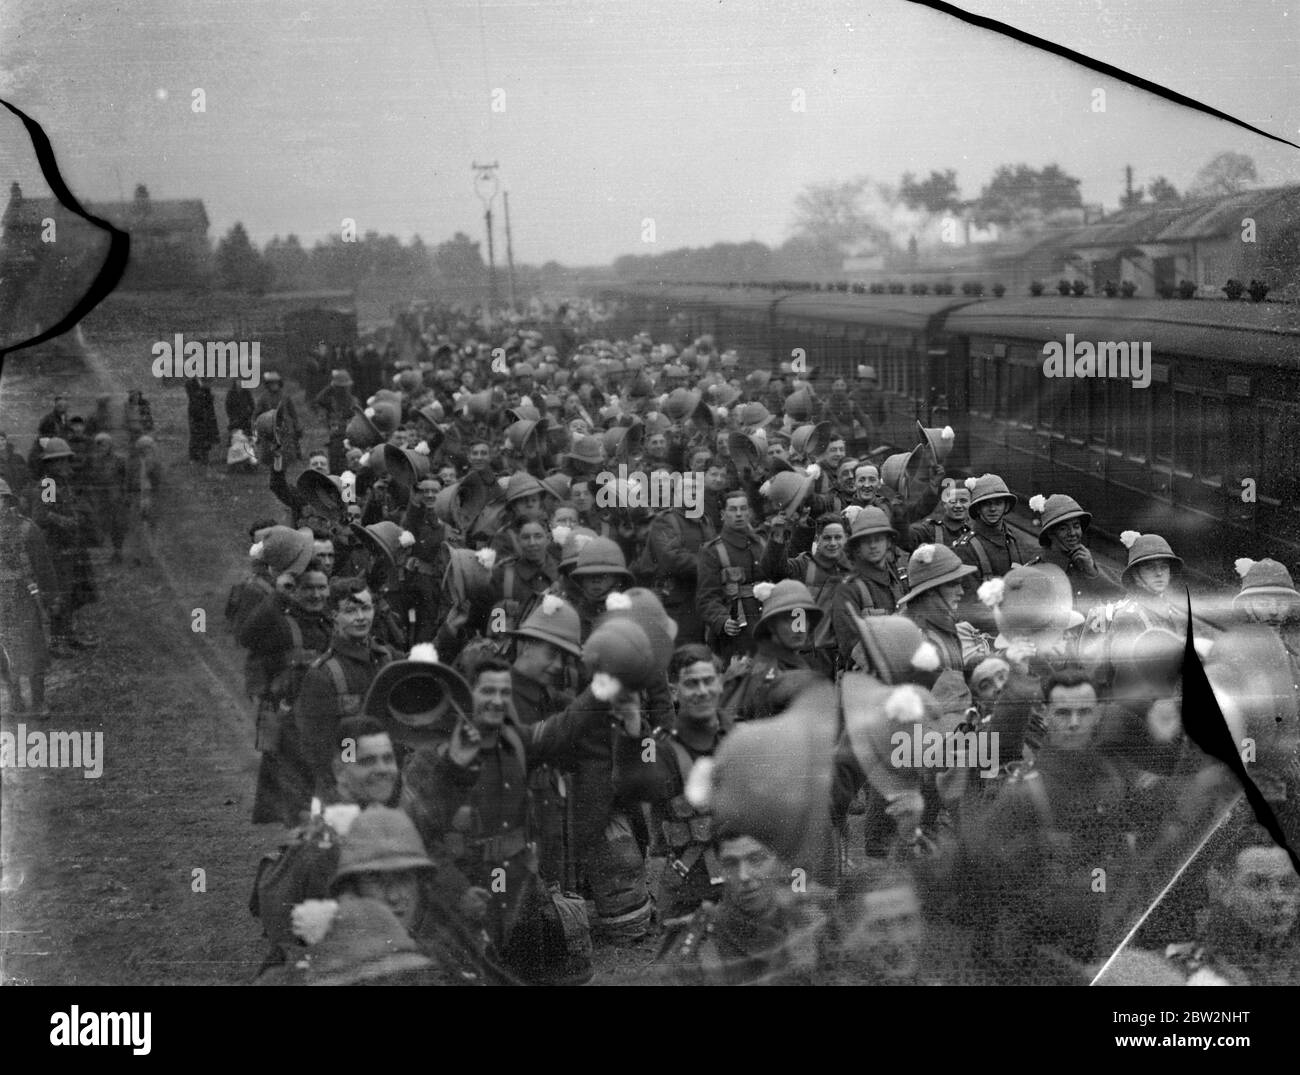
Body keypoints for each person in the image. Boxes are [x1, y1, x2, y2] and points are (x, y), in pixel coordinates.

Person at [653, 829, 826, 985]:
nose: (743, 875)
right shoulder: (696, 942)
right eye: (731, 863)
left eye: (756, 860)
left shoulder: (818, 927)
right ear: (720, 868)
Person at [295, 578, 397, 800]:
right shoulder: (324, 674)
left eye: (366, 608)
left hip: (390, 781)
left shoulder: (385, 658)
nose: (361, 618)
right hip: (346, 790)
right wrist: (353, 769)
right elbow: (318, 746)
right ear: (334, 616)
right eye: (350, 611)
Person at [1162, 823, 1300, 985]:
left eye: (1288, 884)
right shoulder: (1181, 968)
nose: (1277, 899)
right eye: (1258, 884)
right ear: (1221, 888)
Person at [0, 478, 55, 717]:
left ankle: (39, 701)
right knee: (3, 651)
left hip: (23, 597)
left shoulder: (26, 529)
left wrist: (51, 597)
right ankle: (14, 698)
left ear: (6, 501)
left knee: (33, 648)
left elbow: (43, 566)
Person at [696, 489, 771, 663]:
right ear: (723, 514)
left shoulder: (760, 543)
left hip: (765, 624)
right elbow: (706, 598)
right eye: (733, 509)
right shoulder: (713, 551)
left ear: (749, 513)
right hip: (736, 631)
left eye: (743, 509)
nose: (739, 514)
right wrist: (722, 620)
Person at [953, 473, 1027, 632]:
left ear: (1006, 506)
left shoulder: (1012, 540)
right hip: (985, 635)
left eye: (998, 503)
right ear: (977, 508)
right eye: (986, 504)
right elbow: (969, 607)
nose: (993, 509)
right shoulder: (966, 548)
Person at [832, 506, 907, 660]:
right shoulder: (848, 589)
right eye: (866, 541)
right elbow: (851, 647)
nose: (873, 546)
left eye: (878, 539)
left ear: (888, 542)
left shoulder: (896, 581)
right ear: (857, 548)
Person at [1027, 493, 1123, 611]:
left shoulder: (1088, 565)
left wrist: (1093, 572)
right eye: (1063, 528)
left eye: (1076, 526)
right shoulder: (1035, 575)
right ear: (1050, 533)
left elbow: (1123, 600)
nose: (1072, 533)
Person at [184, 376, 220, 464]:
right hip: (195, 413)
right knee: (195, 434)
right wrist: (205, 393)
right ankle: (194, 457)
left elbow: (209, 399)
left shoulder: (205, 382)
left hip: (206, 412)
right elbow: (194, 397)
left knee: (206, 434)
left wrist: (208, 395)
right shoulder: (190, 383)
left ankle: (204, 457)